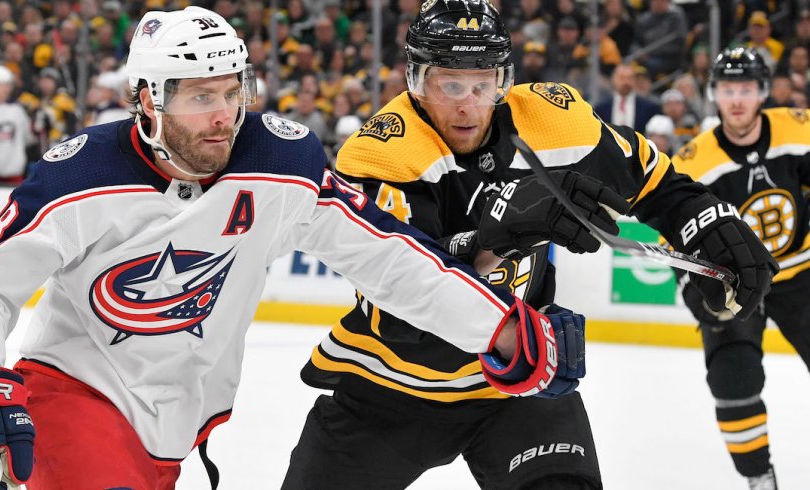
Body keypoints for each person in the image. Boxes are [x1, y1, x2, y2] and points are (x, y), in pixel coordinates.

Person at [0, 7, 584, 490]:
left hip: (173, 431)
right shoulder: (80, 175)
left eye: (230, 91)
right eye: (199, 97)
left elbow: (387, 256)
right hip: (74, 398)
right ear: (147, 102)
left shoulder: (278, 162)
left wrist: (499, 328)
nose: (222, 114)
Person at [283, 2, 777, 489]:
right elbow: (406, 294)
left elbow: (650, 179)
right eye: (449, 83)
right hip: (390, 388)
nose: (467, 103)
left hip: (524, 375)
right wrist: (494, 233)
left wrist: (707, 222)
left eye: (484, 83)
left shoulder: (551, 118)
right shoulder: (380, 153)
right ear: (416, 79)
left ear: (505, 80)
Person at [670, 46, 810, 490]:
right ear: (714, 94)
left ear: (764, 92)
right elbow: (679, 241)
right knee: (733, 376)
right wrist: (698, 290)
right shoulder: (693, 163)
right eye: (728, 89)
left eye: (746, 89)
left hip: (803, 275)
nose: (736, 99)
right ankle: (758, 478)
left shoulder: (801, 130)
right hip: (739, 286)